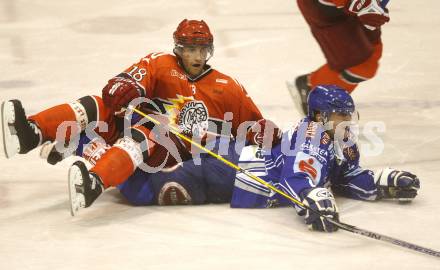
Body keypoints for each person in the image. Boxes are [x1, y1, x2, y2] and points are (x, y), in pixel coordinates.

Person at [1, 19, 266, 216]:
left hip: (173, 153)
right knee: (94, 105)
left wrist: (272, 145)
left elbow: (257, 127)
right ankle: (31, 132)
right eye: (190, 49)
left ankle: (94, 181)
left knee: (147, 135)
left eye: (202, 50)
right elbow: (121, 84)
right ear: (178, 48)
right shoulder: (160, 63)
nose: (197, 56)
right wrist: (123, 87)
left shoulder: (227, 86)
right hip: (138, 129)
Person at [148, 84, 420, 232]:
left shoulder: (343, 140)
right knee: (167, 184)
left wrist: (380, 183)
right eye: (340, 115)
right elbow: (296, 178)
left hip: (236, 162)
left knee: (174, 160)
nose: (346, 121)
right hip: (233, 170)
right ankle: (123, 163)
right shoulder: (312, 134)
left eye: (348, 115)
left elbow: (345, 175)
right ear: (318, 116)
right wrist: (311, 198)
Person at [287, 0, 390, 114]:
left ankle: (314, 88)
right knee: (360, 65)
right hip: (325, 8)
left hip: (358, 6)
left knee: (371, 55)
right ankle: (313, 90)